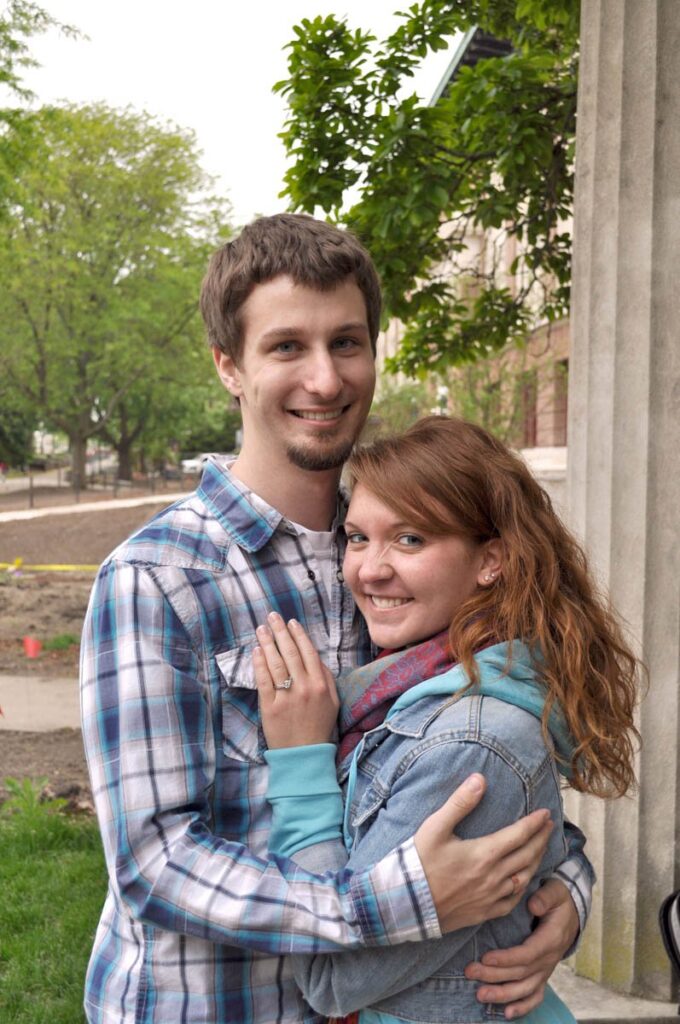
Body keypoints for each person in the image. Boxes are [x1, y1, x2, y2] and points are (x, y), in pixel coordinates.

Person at [80, 215, 592, 1024]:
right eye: (287, 347)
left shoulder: (405, 558)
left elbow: (487, 764)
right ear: (229, 367)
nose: (325, 379)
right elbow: (155, 862)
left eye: (347, 343)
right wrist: (392, 907)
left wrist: (563, 893)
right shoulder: (159, 577)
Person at [254, 415, 640, 1024]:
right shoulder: (419, 681)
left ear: (491, 561)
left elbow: (332, 981)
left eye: (409, 540)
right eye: (357, 537)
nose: (369, 569)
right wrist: (571, 881)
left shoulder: (472, 738)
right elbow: (545, 831)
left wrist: (300, 761)